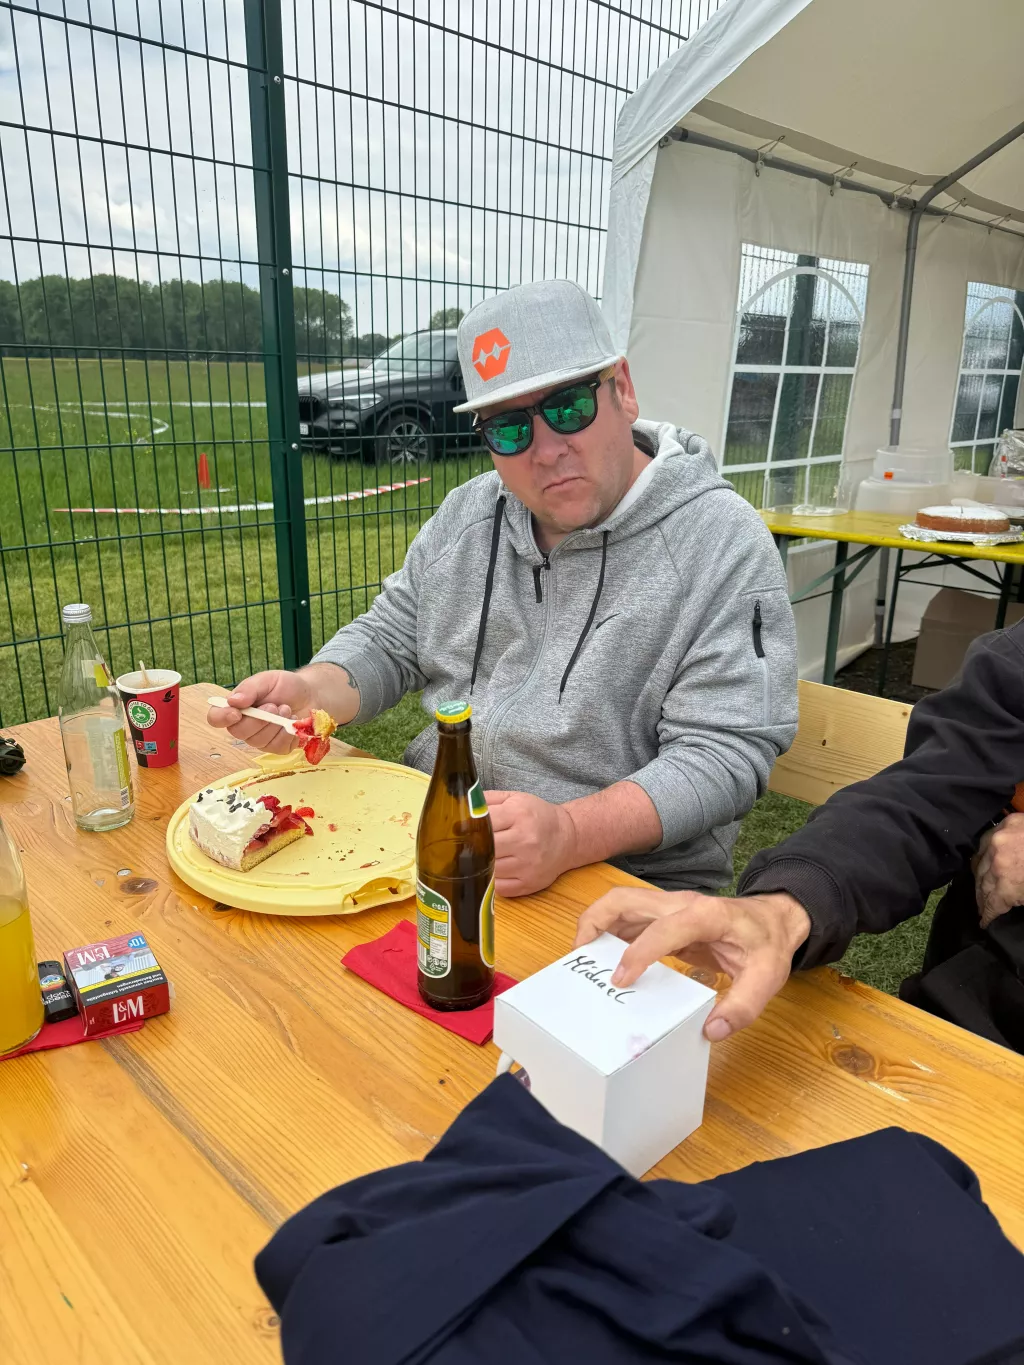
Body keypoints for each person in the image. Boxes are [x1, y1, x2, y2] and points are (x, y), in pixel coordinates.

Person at [209, 279, 798, 898]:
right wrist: (311, 690)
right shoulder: (470, 514)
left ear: (622, 389)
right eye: (509, 429)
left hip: (624, 882)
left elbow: (726, 753)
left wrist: (570, 833)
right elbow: (392, 639)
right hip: (442, 836)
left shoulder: (720, 542)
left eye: (568, 408)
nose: (544, 450)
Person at [576, 621, 1024, 1052]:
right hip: (969, 1014)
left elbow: (722, 747)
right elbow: (931, 793)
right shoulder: (1013, 660)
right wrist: (788, 905)